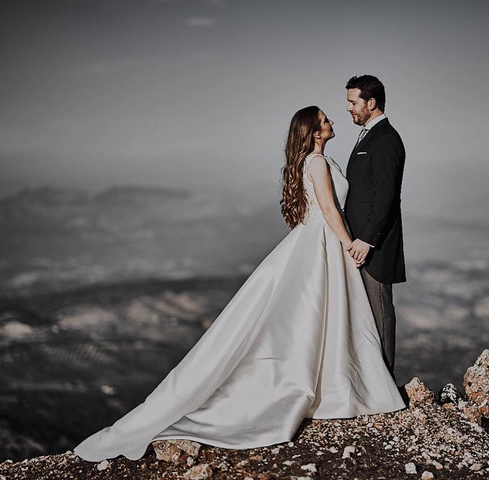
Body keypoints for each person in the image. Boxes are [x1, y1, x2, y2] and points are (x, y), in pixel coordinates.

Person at [73, 106, 406, 462]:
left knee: (311, 317)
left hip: (317, 243)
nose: (332, 122)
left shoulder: (317, 162)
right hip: (324, 243)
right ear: (312, 132)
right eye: (325, 121)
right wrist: (349, 245)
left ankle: (328, 385)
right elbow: (328, 208)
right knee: (317, 315)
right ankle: (332, 387)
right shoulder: (318, 164)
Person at [344, 75, 407, 382]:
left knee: (380, 313)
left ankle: (386, 383)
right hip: (358, 244)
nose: (348, 108)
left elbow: (385, 196)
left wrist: (368, 240)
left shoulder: (386, 140)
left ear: (371, 103)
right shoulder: (369, 136)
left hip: (373, 248)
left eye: (353, 102)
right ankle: (370, 382)